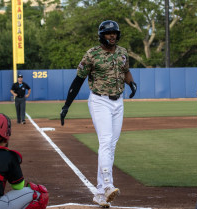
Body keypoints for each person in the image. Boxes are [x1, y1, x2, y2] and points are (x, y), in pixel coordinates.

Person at [59, 20, 137, 208]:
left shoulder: (122, 52)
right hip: (99, 100)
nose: (112, 36)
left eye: (115, 33)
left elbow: (126, 71)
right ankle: (108, 184)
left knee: (111, 144)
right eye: (109, 33)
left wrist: (131, 83)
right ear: (102, 35)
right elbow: (78, 80)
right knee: (105, 141)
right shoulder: (92, 54)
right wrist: (66, 106)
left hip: (118, 101)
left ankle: (100, 194)